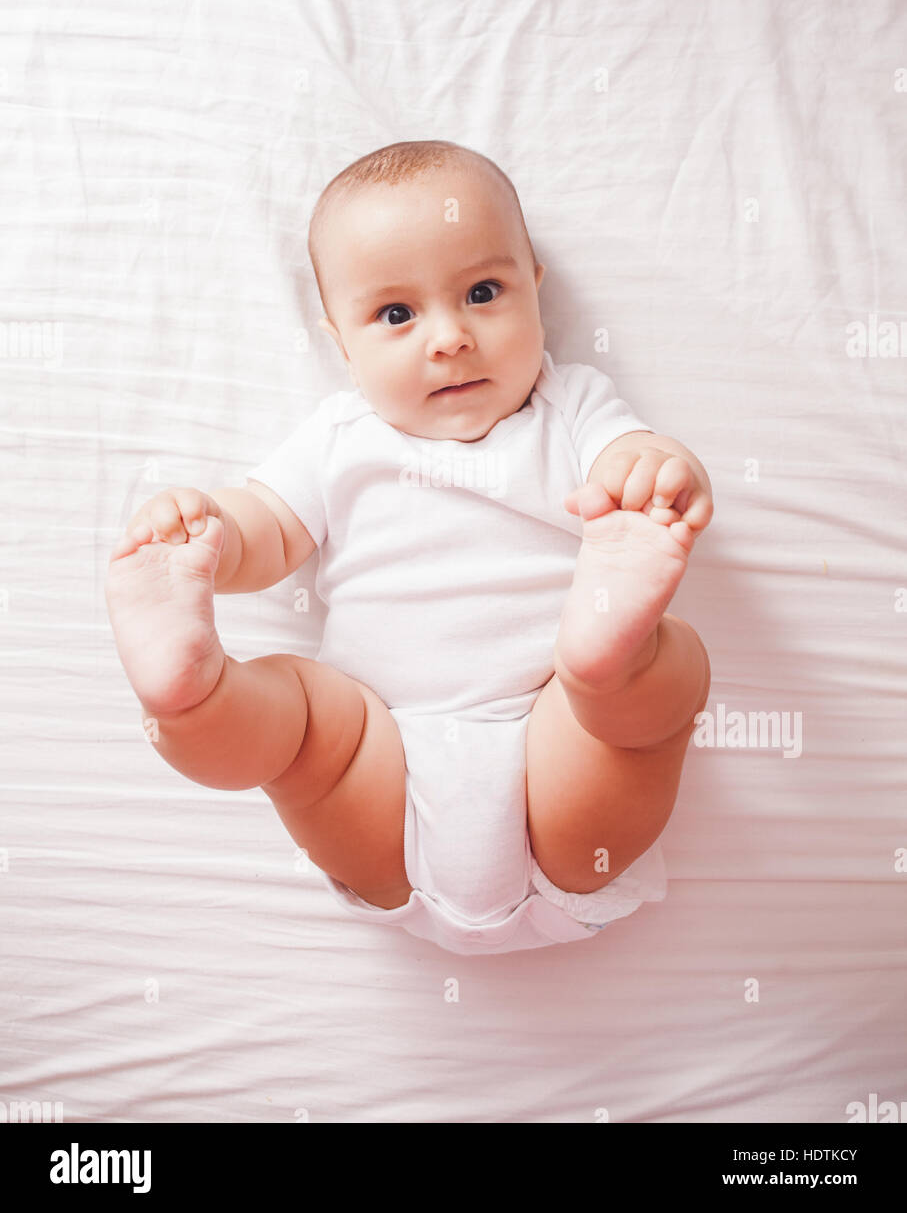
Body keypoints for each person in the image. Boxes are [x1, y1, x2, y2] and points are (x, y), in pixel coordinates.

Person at [105, 139, 713, 956]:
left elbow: (626, 459)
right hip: (382, 768)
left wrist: (651, 476)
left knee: (660, 672)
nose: (450, 337)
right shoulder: (338, 439)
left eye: (483, 292)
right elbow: (269, 528)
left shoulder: (571, 408)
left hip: (554, 754)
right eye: (397, 314)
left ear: (534, 289)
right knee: (303, 712)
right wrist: (208, 531)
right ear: (340, 343)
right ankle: (196, 700)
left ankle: (606, 669)